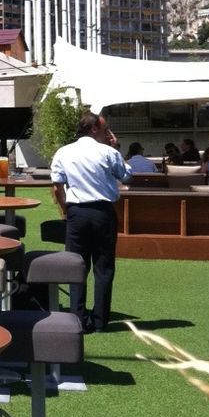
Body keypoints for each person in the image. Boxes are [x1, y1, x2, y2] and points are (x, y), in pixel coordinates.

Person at [50, 111, 131, 334]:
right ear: (94, 129)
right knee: (103, 268)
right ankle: (99, 321)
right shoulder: (107, 151)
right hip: (103, 212)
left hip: (77, 212)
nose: (108, 135)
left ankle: (76, 317)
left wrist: (67, 210)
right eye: (105, 130)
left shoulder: (64, 152)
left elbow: (57, 186)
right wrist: (115, 148)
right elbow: (126, 175)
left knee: (76, 266)